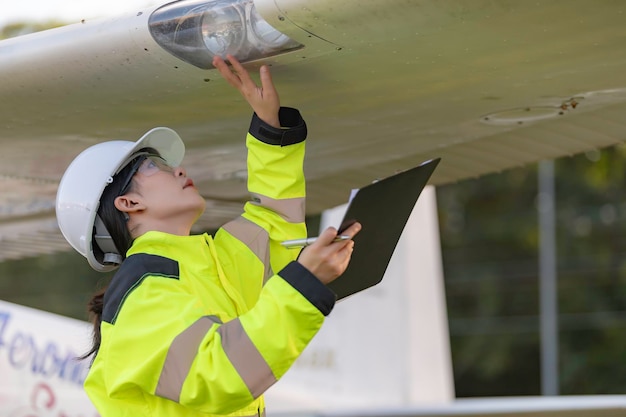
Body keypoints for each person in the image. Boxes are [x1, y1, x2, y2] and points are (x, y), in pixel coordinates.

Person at [55, 54, 361, 417]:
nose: (178, 170)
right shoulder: (143, 291)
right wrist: (303, 285)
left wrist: (271, 129)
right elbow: (218, 374)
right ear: (128, 202)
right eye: (154, 166)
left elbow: (274, 223)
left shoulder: (209, 261)